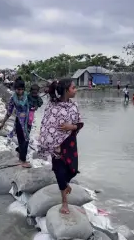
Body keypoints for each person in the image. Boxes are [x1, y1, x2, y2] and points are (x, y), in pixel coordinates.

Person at [38, 79, 84, 214]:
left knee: (73, 170)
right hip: (56, 145)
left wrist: (72, 126)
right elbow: (46, 126)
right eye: (73, 88)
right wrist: (49, 143)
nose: (76, 90)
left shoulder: (74, 106)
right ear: (66, 90)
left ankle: (66, 184)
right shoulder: (52, 106)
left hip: (70, 143)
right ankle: (64, 202)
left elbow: (80, 123)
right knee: (60, 173)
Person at [0, 77, 31, 168]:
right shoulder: (13, 98)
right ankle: (22, 160)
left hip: (27, 122)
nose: (20, 91)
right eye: (18, 89)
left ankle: (20, 151)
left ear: (24, 89)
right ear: (15, 89)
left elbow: (35, 104)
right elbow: (9, 112)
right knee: (22, 140)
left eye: (21, 89)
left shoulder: (27, 96)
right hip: (19, 122)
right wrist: (3, 123)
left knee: (27, 140)